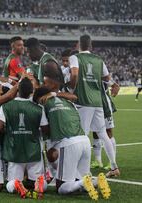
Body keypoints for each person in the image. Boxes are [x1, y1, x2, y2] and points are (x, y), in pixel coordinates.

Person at [32, 76, 111, 201]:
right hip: (84, 141)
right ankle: (95, 182)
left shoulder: (43, 104)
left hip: (68, 143)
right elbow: (74, 98)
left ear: (39, 98)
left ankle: (83, 182)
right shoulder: (68, 102)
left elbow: (45, 129)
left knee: (62, 187)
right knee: (79, 178)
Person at [69, 34, 120, 178]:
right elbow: (106, 78)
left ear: (79, 45)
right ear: (91, 46)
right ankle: (114, 166)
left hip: (83, 100)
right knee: (103, 133)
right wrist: (113, 84)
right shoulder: (99, 60)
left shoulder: (75, 58)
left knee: (83, 134)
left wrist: (70, 89)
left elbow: (74, 75)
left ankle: (83, 170)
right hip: (98, 101)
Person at [0, 78, 48, 199]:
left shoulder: (7, 106)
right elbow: (45, 129)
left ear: (18, 89)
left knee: (11, 184)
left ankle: (17, 184)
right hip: (33, 149)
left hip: (14, 150)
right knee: (40, 180)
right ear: (31, 91)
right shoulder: (38, 108)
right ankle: (38, 185)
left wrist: (9, 131)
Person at [91, 81, 119, 170]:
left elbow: (110, 81)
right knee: (95, 131)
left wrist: (114, 85)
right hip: (92, 104)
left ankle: (112, 162)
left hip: (104, 104)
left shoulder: (99, 70)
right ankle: (98, 161)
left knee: (108, 131)